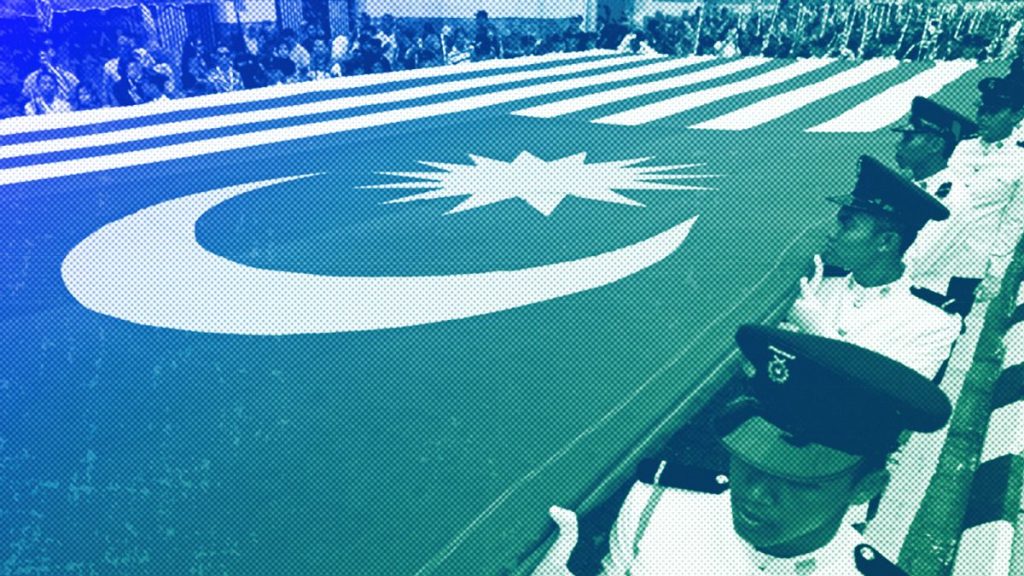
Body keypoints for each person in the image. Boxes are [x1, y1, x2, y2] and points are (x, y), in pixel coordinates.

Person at [538, 324, 950, 575]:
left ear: (867, 487)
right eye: (751, 458)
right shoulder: (660, 503)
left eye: (800, 482)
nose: (756, 492)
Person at [781, 155, 961, 381]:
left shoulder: (934, 321)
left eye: (847, 224)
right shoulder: (816, 285)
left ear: (886, 242)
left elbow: (891, 397)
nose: (832, 233)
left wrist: (818, 330)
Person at [934, 74, 1024, 303]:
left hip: (970, 266)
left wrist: (995, 275)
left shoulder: (1020, 160)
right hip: (934, 254)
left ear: (1016, 115)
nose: (983, 117)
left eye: (993, 112)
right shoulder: (963, 148)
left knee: (950, 319)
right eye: (982, 110)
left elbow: (1013, 224)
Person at [893, 97, 980, 307]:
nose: (898, 143)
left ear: (935, 145)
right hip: (894, 292)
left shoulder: (952, 198)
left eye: (908, 138)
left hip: (919, 301)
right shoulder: (910, 186)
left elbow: (916, 261)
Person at [21, 38, 78, 102]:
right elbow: (26, 94)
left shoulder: (67, 76)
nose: (41, 53)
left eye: (45, 49)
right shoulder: (31, 78)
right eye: (38, 50)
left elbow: (75, 90)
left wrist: (50, 67)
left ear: (53, 52)